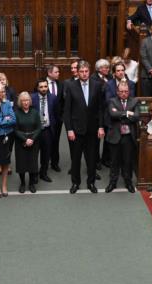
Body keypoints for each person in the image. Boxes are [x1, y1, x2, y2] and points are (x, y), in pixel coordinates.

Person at [63, 60, 106, 194]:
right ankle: (75, 183)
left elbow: (100, 108)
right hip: (76, 129)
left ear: (89, 71)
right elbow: (67, 111)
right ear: (78, 72)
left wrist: (101, 126)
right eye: (81, 71)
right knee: (76, 159)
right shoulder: (71, 86)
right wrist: (69, 129)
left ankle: (91, 182)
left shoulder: (97, 85)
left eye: (86, 71)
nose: (84, 74)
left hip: (93, 129)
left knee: (92, 158)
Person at [105, 81, 140, 193]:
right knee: (114, 161)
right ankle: (112, 182)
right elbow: (112, 114)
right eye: (121, 91)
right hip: (115, 135)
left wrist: (120, 114)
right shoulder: (112, 101)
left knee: (127, 161)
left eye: (126, 91)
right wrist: (127, 113)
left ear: (129, 91)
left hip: (128, 136)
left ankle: (128, 182)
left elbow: (136, 116)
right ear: (117, 92)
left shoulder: (134, 101)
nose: (124, 93)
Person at [12, 91, 41, 194]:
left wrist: (32, 139)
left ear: (30, 101)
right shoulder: (16, 113)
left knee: (33, 163)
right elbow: (15, 129)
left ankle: (31, 183)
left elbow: (39, 128)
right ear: (20, 102)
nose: (26, 102)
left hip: (34, 141)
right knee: (22, 164)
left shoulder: (35, 112)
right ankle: (23, 183)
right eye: (23, 100)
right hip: (21, 142)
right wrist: (25, 139)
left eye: (27, 100)